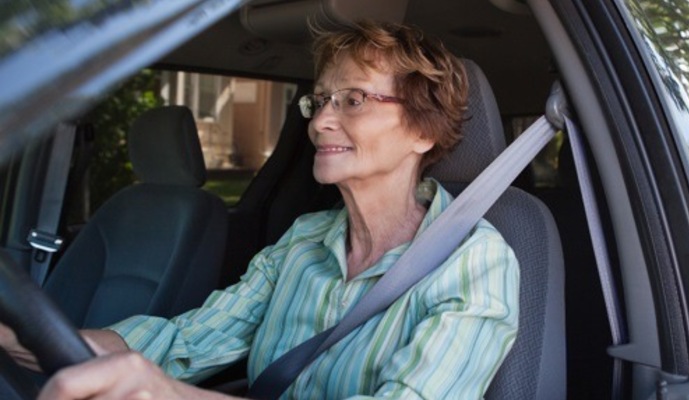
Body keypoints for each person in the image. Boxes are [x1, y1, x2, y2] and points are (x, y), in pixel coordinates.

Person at [2, 20, 520, 399]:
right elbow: (183, 341)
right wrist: (27, 335)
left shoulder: (475, 264)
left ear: (423, 130)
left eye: (354, 100)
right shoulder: (303, 241)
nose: (320, 123)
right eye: (319, 101)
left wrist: (169, 394)